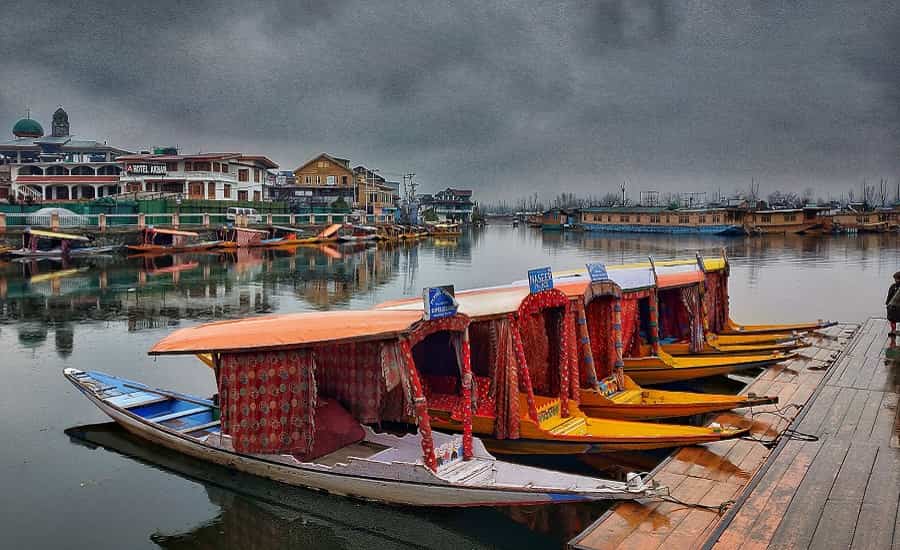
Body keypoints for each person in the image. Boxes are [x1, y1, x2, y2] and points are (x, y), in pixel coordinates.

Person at [886, 271, 900, 336]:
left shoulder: (893, 286)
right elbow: (889, 296)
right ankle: (893, 330)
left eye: (896, 279)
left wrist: (887, 304)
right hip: (894, 307)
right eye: (895, 279)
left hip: (895, 307)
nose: (895, 280)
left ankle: (893, 330)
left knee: (893, 319)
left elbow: (889, 296)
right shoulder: (893, 286)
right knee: (892, 319)